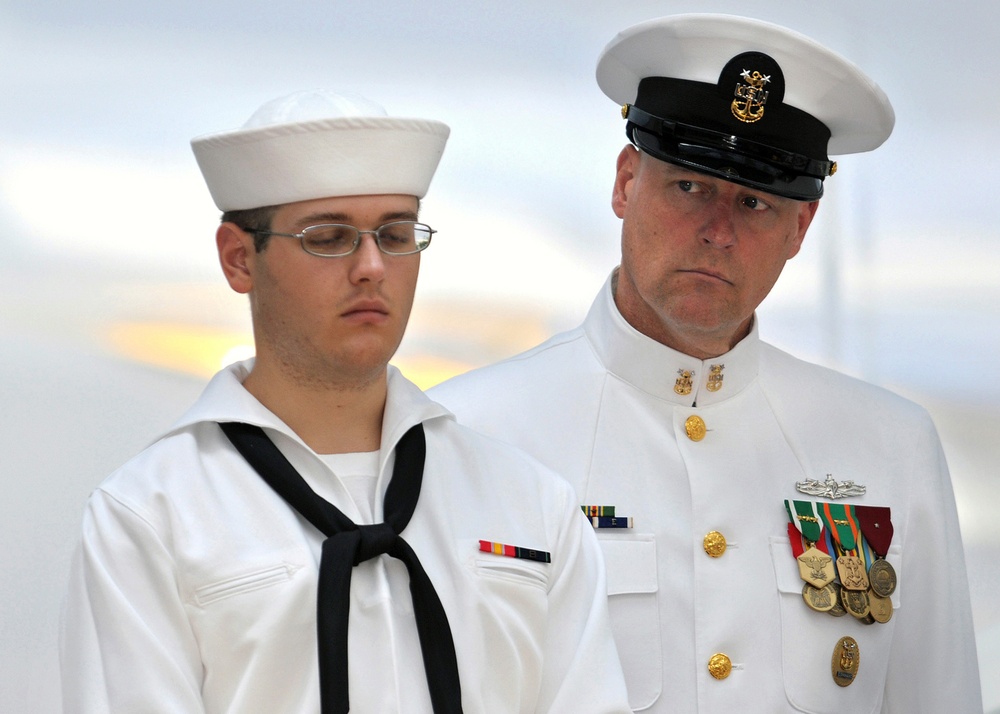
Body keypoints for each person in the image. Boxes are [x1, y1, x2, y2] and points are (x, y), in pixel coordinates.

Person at [431, 14, 983, 713]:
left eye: (754, 201)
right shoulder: (469, 436)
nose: (718, 231)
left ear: (801, 229)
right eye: (689, 187)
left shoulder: (889, 447)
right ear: (626, 182)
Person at [59, 90, 631, 714]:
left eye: (395, 234)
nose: (371, 267)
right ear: (237, 258)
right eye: (328, 237)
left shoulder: (529, 503)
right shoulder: (151, 518)